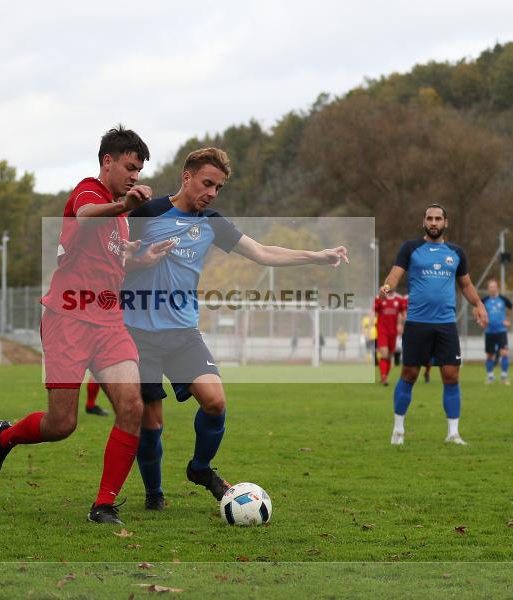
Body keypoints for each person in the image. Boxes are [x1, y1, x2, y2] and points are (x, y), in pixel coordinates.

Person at [123, 147, 348, 510]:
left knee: (215, 402)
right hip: (138, 334)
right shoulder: (148, 212)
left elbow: (261, 252)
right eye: (207, 183)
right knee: (151, 422)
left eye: (218, 187)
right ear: (187, 177)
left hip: (183, 333)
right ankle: (154, 495)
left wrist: (317, 256)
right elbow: (110, 251)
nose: (212, 193)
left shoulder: (211, 222)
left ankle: (199, 468)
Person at [0, 125, 165, 525]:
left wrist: (142, 259)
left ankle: (104, 505)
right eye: (130, 167)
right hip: (67, 319)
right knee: (61, 424)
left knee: (132, 406)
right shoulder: (89, 192)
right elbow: (85, 215)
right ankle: (6, 436)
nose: (135, 176)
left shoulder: (120, 219)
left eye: (139, 170)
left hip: (109, 323)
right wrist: (124, 205)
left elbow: (113, 263)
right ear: (107, 162)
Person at [379, 204, 487, 446]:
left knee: (451, 375)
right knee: (409, 374)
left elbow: (466, 285)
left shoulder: (456, 252)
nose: (434, 222)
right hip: (417, 323)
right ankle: (398, 429)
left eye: (438, 218)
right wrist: (387, 286)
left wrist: (479, 304)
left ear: (446, 223)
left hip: (446, 324)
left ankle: (453, 433)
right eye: (430, 218)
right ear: (424, 222)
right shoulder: (410, 248)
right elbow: (396, 274)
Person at [483, 279, 513, 385]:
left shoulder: (503, 299)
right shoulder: (484, 300)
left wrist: (509, 321)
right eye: (490, 287)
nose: (492, 288)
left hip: (501, 331)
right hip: (489, 331)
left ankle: (504, 377)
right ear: (488, 289)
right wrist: (481, 321)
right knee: (490, 355)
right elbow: (475, 309)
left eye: (494, 286)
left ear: (497, 288)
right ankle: (490, 377)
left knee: (504, 353)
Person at [374, 287, 407, 385]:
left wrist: (400, 325)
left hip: (393, 332)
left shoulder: (399, 299)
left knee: (389, 356)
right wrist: (371, 324)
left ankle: (384, 376)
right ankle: (384, 377)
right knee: (384, 353)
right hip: (382, 331)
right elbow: (374, 312)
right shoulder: (380, 297)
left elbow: (402, 313)